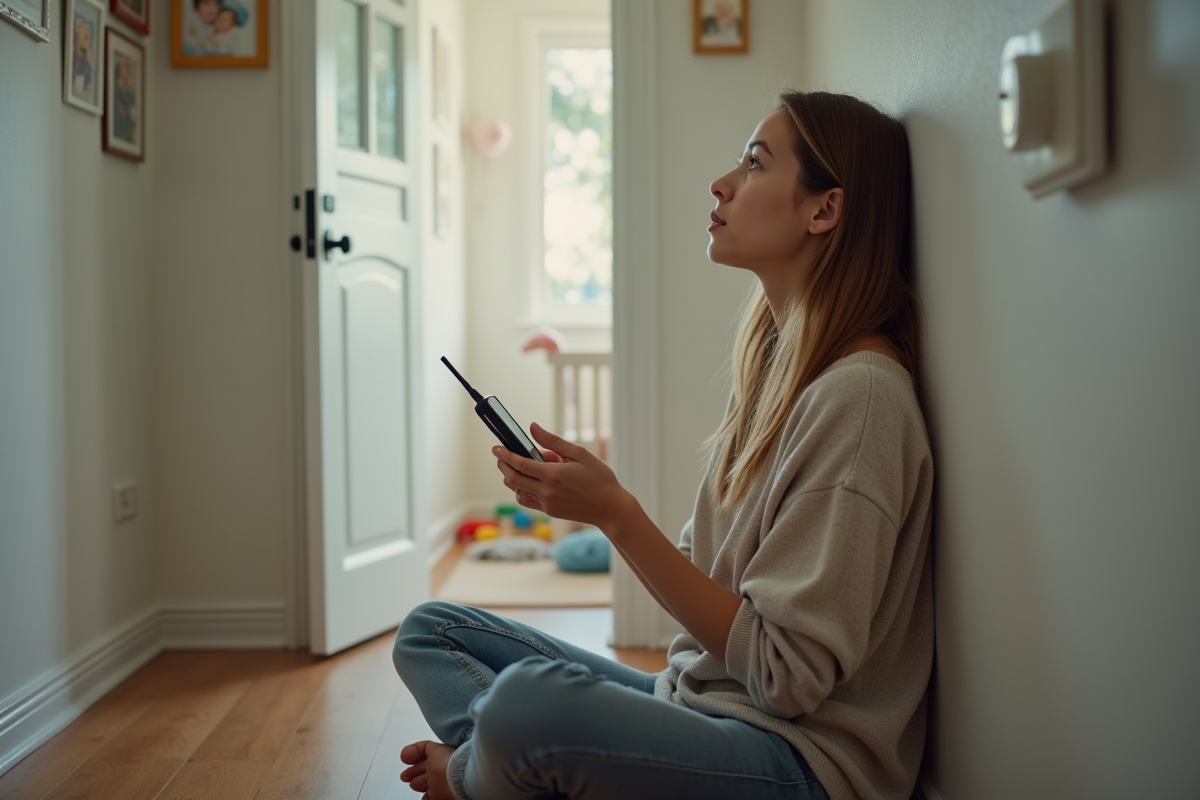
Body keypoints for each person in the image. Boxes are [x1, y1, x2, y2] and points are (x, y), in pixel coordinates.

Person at [392, 90, 934, 800]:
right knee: (432, 630)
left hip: (796, 763)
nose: (722, 183)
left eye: (754, 163)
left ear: (823, 210)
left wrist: (618, 515)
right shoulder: (782, 373)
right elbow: (708, 583)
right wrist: (601, 506)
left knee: (525, 707)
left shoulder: (860, 399)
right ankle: (512, 774)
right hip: (704, 703)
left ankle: (483, 778)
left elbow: (786, 679)